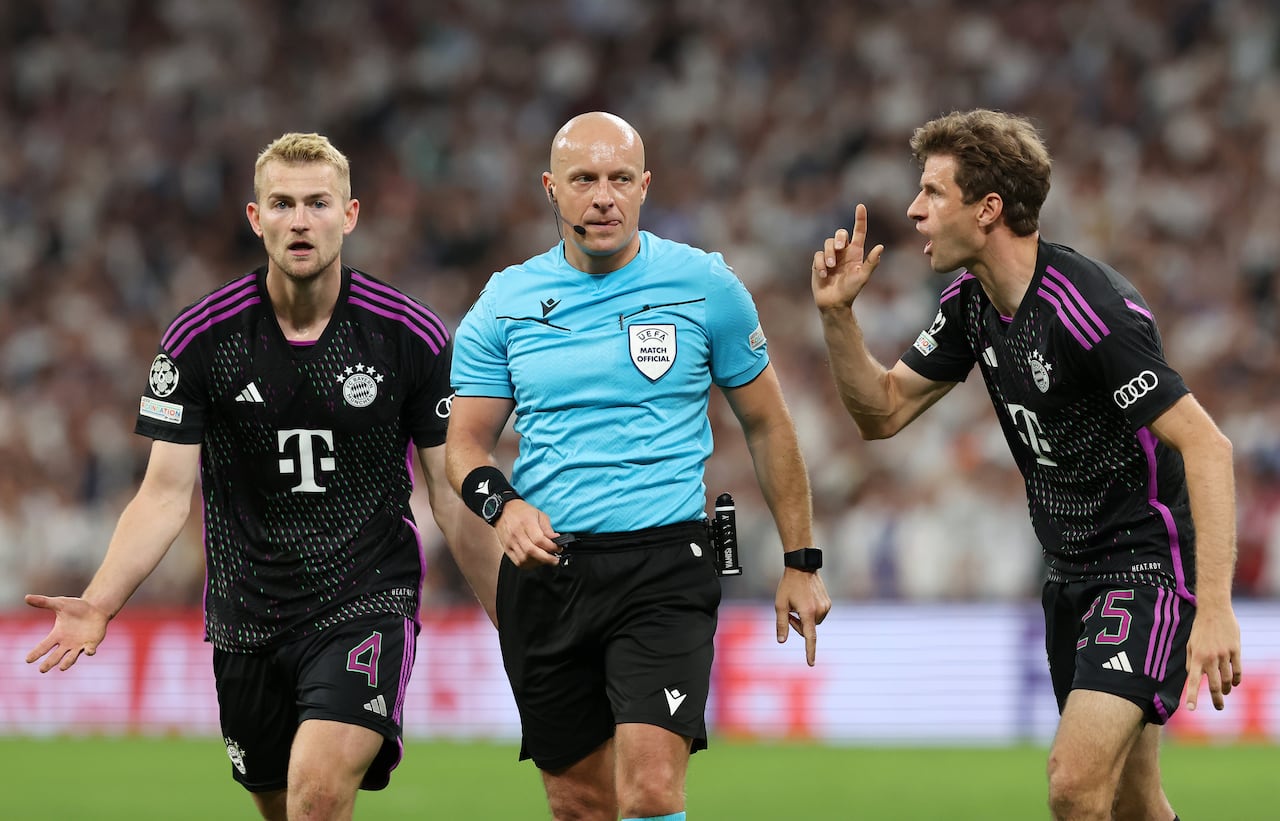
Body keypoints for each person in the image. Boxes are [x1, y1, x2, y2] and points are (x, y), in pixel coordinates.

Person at [24, 132, 501, 821]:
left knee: (317, 795)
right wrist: (99, 602)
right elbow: (162, 496)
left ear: (350, 214)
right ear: (256, 217)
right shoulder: (200, 339)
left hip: (365, 598)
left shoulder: (408, 334)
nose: (300, 220)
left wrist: (513, 622)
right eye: (282, 203)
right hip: (245, 618)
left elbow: (451, 499)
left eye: (318, 203)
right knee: (283, 808)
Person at [811, 108, 1242, 820]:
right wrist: (836, 318)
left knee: (1073, 786)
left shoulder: (1088, 308)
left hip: (1143, 569)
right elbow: (881, 412)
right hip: (1068, 574)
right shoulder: (969, 304)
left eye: (933, 192)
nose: (914, 210)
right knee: (1134, 805)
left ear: (987, 209)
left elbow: (1207, 444)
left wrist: (1217, 610)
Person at [446, 111, 831, 821]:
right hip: (548, 572)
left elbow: (768, 423)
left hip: (664, 567)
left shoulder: (704, 285)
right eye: (584, 180)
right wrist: (504, 506)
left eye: (620, 179)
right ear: (551, 189)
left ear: (645, 186)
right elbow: (465, 444)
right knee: (580, 804)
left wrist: (801, 559)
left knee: (651, 790)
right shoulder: (504, 302)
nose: (603, 197)